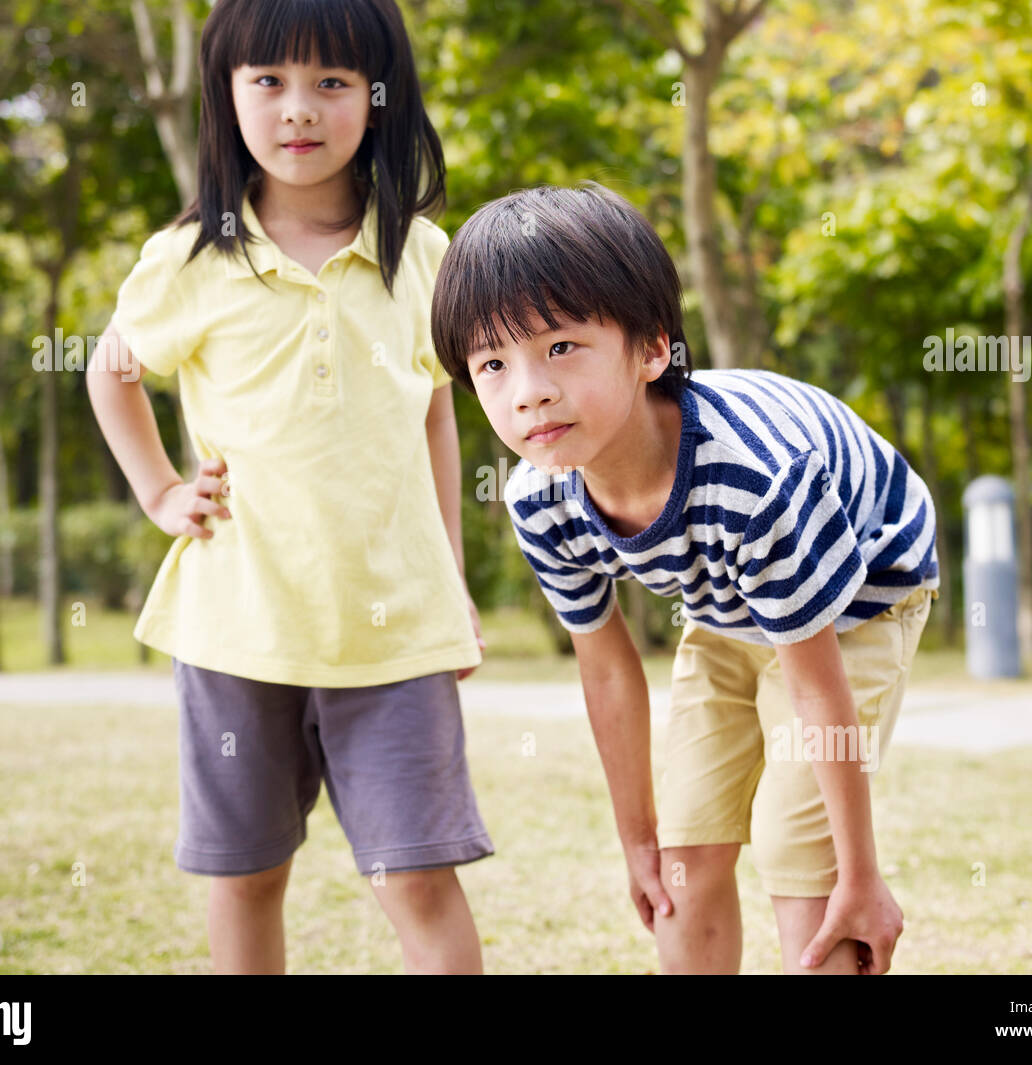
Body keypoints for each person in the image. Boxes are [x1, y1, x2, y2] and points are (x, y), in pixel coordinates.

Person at [430, 181, 940, 975]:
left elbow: (815, 688)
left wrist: (863, 875)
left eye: (560, 346)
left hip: (857, 605)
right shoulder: (541, 499)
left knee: (794, 841)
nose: (528, 389)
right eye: (493, 362)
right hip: (729, 606)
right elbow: (605, 665)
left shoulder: (758, 479)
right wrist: (636, 836)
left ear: (652, 349)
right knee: (685, 850)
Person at [85, 0, 493, 975]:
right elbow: (112, 368)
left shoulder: (425, 258)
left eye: (331, 83)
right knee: (245, 876)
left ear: (378, 98)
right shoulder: (190, 257)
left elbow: (435, 413)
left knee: (420, 878)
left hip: (393, 636)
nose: (297, 109)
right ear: (227, 97)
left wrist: (453, 581)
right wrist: (160, 494)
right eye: (267, 81)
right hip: (238, 629)